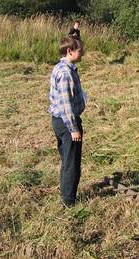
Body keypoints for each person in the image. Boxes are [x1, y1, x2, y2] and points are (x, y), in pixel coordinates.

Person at [49, 37, 86, 207]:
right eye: (80, 50)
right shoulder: (65, 73)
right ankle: (68, 202)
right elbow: (66, 105)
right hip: (66, 123)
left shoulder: (61, 66)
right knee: (72, 163)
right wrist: (73, 128)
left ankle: (65, 195)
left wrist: (75, 30)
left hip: (59, 122)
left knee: (66, 160)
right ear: (70, 51)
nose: (82, 53)